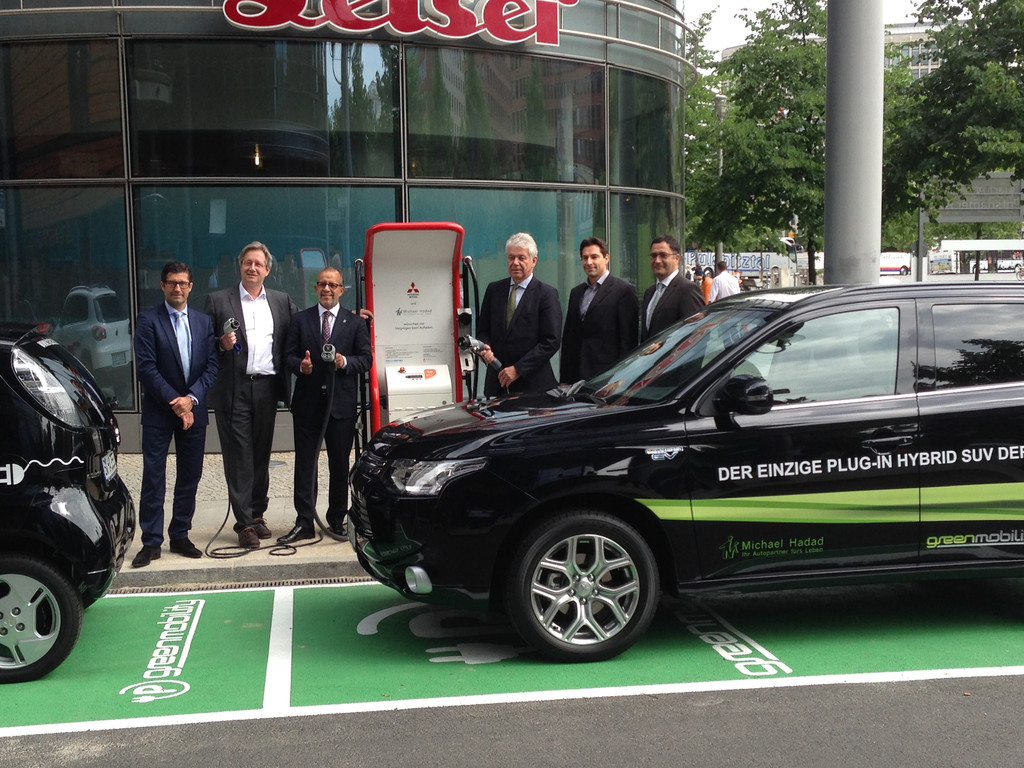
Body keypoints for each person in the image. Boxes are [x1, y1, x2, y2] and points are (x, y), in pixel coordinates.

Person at [204, 241, 299, 549]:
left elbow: (306, 326)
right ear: (240, 266)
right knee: (239, 456)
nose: (253, 268)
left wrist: (350, 315)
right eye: (248, 263)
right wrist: (221, 344)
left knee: (261, 454)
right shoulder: (219, 300)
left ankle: (257, 515)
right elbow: (203, 345)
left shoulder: (282, 301)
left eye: (259, 264)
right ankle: (244, 522)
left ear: (268, 270)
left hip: (268, 387)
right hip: (234, 388)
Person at [132, 262, 219, 568]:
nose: (177, 288)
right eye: (172, 283)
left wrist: (192, 400)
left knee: (189, 476)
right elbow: (146, 367)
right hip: (160, 411)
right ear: (162, 286)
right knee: (154, 477)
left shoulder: (203, 322)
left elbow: (212, 366)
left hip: (194, 411)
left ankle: (180, 535)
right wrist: (175, 401)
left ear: (191, 287)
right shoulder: (148, 321)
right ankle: (151, 542)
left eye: (183, 283)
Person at [279, 268, 372, 543]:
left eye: (333, 285)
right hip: (308, 404)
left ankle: (336, 519)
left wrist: (344, 362)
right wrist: (301, 366)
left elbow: (366, 360)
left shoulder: (354, 323)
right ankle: (304, 521)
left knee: (339, 465)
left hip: (340, 406)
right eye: (322, 284)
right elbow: (287, 357)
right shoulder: (300, 320)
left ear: (342, 290)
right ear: (315, 288)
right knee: (305, 464)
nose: (327, 289)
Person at [477, 232, 562, 397]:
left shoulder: (546, 294)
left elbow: (551, 341)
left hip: (532, 386)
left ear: (533, 261)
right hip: (497, 383)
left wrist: (518, 369)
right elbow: (483, 331)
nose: (515, 263)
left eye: (521, 258)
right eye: (511, 257)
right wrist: (485, 349)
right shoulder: (494, 290)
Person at [560, 236, 639, 383]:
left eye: (594, 257)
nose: (589, 262)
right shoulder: (576, 293)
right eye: (585, 258)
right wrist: (564, 378)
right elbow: (568, 339)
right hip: (576, 376)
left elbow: (628, 342)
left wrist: (622, 378)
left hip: (608, 376)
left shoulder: (624, 290)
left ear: (606, 258)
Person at [641, 235, 705, 341]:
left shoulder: (688, 290)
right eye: (654, 255)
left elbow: (696, 336)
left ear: (677, 258)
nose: (657, 260)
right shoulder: (649, 293)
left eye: (663, 255)